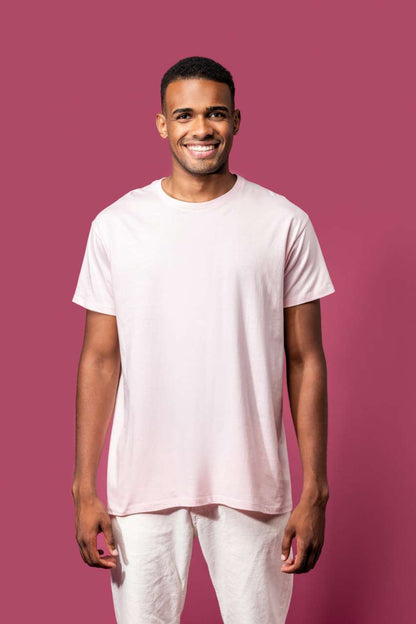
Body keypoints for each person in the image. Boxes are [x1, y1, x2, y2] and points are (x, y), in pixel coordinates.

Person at [71, 56, 336, 624]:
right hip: (142, 486)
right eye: (184, 114)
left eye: (215, 113)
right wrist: (82, 488)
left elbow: (305, 359)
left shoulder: (283, 222)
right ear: (162, 124)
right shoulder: (116, 225)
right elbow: (99, 360)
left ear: (236, 121)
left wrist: (315, 490)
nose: (201, 128)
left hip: (251, 483)